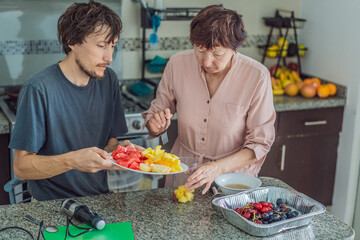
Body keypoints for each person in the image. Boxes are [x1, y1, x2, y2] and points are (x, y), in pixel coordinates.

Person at [9, 0, 143, 201]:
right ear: (72, 41)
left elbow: (111, 142)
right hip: (52, 204)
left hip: (100, 199)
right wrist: (73, 161)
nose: (110, 57)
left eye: (113, 46)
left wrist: (122, 153)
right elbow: (21, 167)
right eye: (101, 46)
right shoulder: (38, 88)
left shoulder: (109, 80)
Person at [142, 5, 276, 194]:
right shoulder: (177, 64)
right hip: (183, 173)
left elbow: (260, 144)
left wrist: (218, 168)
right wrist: (155, 124)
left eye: (217, 54)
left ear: (234, 48)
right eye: (200, 50)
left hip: (231, 181)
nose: (206, 62)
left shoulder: (257, 76)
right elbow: (157, 111)